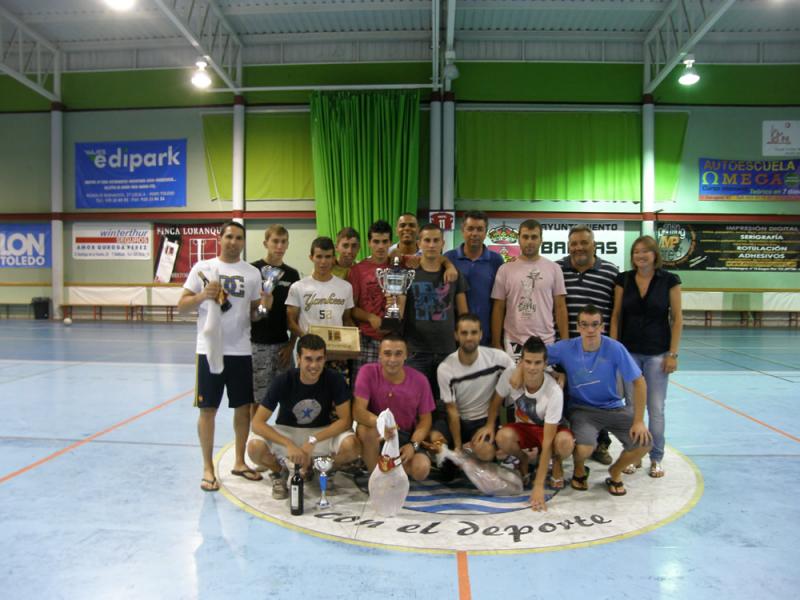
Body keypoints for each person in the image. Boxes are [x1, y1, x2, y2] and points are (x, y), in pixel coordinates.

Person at [178, 221, 271, 492]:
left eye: (238, 237)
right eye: (229, 236)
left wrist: (265, 307)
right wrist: (201, 297)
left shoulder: (252, 273)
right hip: (210, 350)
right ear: (220, 238)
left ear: (244, 242)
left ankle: (240, 462)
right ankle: (207, 468)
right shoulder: (202, 269)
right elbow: (181, 306)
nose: (233, 241)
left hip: (241, 350)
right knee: (208, 409)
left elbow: (254, 314)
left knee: (243, 408)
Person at [547, 304, 652, 497]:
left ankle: (615, 472)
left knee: (644, 443)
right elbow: (535, 358)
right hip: (582, 409)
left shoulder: (615, 348)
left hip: (613, 408)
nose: (590, 330)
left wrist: (638, 420)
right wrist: (553, 372)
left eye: (595, 324)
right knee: (585, 448)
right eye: (584, 325)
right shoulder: (566, 348)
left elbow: (640, 382)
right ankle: (579, 470)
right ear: (577, 327)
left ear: (602, 326)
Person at [248, 334, 360, 499]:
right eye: (308, 359)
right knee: (254, 448)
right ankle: (280, 472)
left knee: (352, 446)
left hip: (319, 433)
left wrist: (312, 441)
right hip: (288, 432)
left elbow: (345, 421)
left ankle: (321, 468)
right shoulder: (283, 381)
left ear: (325, 359)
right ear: (298, 358)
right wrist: (288, 444)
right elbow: (257, 423)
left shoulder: (334, 379)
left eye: (319, 359)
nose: (314, 365)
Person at [474, 336, 574, 511]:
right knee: (502, 437)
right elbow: (496, 401)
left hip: (550, 430)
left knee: (565, 443)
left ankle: (556, 461)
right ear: (521, 362)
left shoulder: (554, 391)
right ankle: (523, 459)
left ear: (545, 364)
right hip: (525, 428)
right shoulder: (510, 375)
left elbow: (548, 440)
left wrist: (538, 486)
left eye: (537, 363)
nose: (532, 368)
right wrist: (490, 424)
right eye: (528, 362)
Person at [610, 235, 682, 479]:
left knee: (655, 408)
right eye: (636, 252)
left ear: (654, 255)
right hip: (629, 353)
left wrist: (672, 353)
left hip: (658, 354)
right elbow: (617, 315)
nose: (640, 256)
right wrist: (613, 350)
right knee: (631, 409)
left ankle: (656, 457)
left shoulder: (669, 280)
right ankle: (633, 454)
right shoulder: (624, 279)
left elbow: (678, 318)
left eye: (645, 252)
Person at [556, 224, 620, 466]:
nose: (578, 248)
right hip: (567, 347)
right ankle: (566, 443)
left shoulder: (610, 272)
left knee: (598, 396)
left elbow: (615, 311)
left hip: (598, 349)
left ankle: (601, 443)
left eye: (584, 243)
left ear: (594, 245)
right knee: (564, 396)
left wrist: (611, 346)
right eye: (574, 244)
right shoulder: (558, 269)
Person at [430, 313, 514, 462]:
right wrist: (458, 447)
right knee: (438, 445)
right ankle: (457, 456)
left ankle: (478, 452)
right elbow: (451, 410)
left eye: (474, 332)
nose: (469, 337)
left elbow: (516, 374)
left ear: (481, 334)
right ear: (456, 335)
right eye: (464, 333)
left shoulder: (498, 358)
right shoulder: (445, 368)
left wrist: (490, 424)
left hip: (483, 421)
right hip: (457, 420)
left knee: (486, 453)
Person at [354, 335, 435, 482]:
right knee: (366, 430)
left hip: (405, 436)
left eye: (398, 353)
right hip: (377, 433)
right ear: (379, 354)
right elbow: (358, 411)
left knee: (421, 469)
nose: (392, 359)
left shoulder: (420, 380)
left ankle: (387, 469)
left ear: (406, 355)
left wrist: (413, 445)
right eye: (387, 353)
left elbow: (425, 420)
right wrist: (380, 423)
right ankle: (377, 479)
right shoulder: (367, 372)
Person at [403, 223, 468, 400]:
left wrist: (462, 343)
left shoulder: (454, 275)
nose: (431, 245)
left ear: (443, 243)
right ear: (419, 243)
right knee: (416, 401)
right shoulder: (408, 273)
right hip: (416, 350)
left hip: (446, 350)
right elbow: (400, 312)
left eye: (435, 240)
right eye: (427, 240)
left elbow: (464, 314)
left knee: (445, 403)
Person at [491, 219, 568, 361]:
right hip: (514, 342)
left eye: (534, 237)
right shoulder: (505, 270)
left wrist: (565, 343)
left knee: (545, 382)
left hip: (546, 341)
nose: (530, 241)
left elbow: (560, 307)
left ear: (541, 240)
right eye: (525, 237)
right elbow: (498, 308)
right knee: (515, 382)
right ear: (519, 239)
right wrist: (496, 342)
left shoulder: (554, 269)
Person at [250, 224, 301, 409]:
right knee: (257, 400)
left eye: (283, 242)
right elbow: (247, 312)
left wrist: (290, 345)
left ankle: (285, 436)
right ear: (266, 243)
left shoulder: (292, 274)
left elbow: (295, 316)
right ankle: (255, 437)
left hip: (282, 345)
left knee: (289, 397)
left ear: (288, 244)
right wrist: (264, 309)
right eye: (275, 241)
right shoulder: (252, 270)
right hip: (257, 344)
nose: (279, 246)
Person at [444, 210, 504, 346]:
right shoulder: (449, 258)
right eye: (470, 228)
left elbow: (499, 302)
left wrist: (496, 340)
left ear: (486, 232)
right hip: (454, 336)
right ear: (462, 230)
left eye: (479, 229)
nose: (474, 233)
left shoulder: (496, 260)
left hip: (486, 335)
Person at [286, 236, 355, 338]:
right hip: (308, 349)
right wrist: (306, 338)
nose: (323, 261)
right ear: (311, 257)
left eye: (327, 257)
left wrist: (354, 335)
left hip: (336, 348)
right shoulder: (298, 287)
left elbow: (346, 320)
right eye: (319, 256)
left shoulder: (346, 287)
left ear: (333, 258)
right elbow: (290, 321)